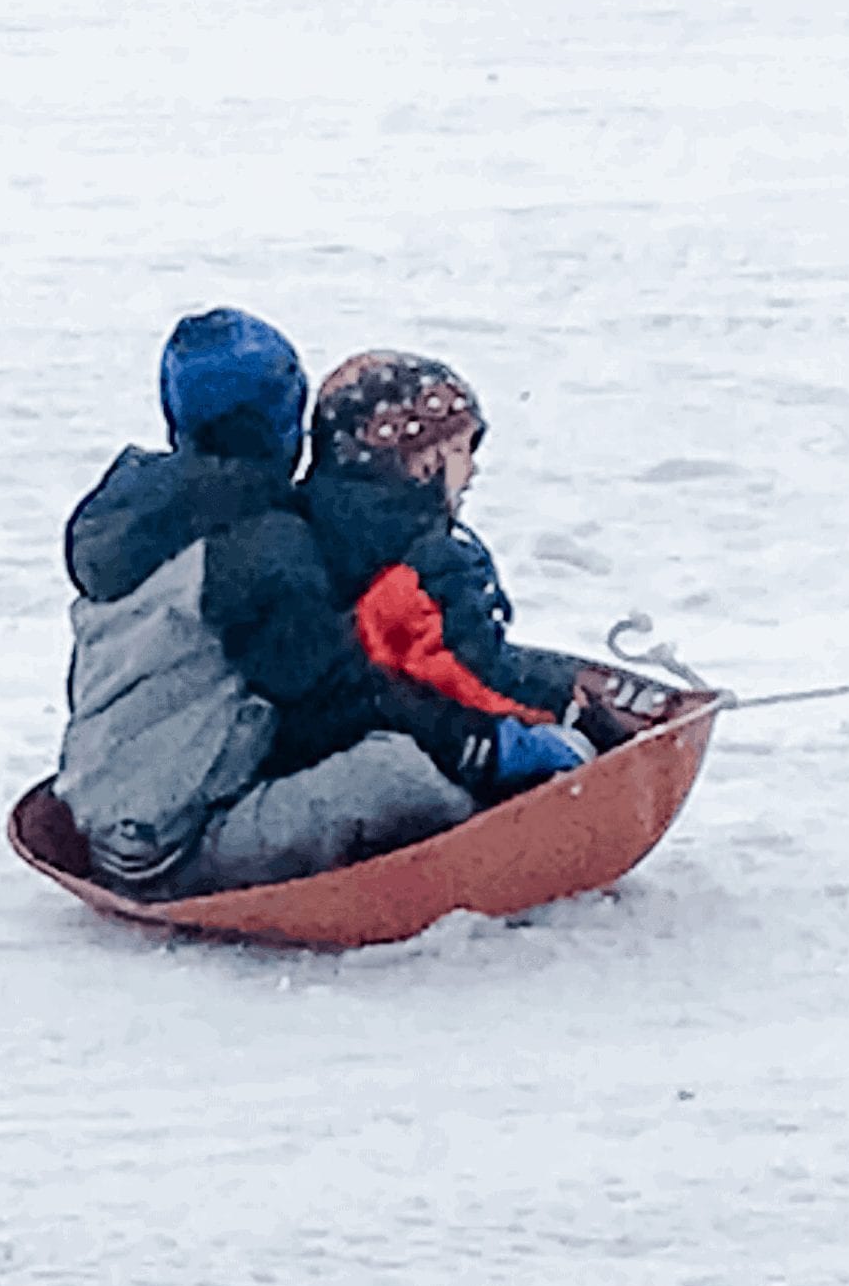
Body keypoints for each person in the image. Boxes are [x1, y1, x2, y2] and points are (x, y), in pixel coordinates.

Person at [53, 310, 578, 900]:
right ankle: (493, 837)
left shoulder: (145, 512)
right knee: (399, 776)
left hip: (115, 808)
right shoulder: (256, 548)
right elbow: (330, 697)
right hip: (171, 846)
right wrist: (476, 748)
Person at [300, 350, 677, 760]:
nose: (473, 471)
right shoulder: (422, 561)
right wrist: (566, 713)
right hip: (421, 743)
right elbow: (463, 674)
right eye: (462, 451)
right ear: (419, 461)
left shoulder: (323, 526)